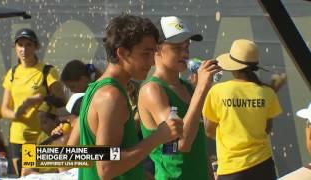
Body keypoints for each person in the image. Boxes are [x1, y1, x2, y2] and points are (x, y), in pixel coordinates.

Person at [78, 14, 183, 179]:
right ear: (122, 53)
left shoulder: (98, 89)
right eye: (146, 54)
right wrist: (158, 137)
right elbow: (107, 168)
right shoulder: (111, 96)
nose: (152, 61)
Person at [138, 16, 220, 179]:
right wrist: (202, 89)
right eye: (176, 48)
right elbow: (180, 144)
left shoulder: (188, 87)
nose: (185, 53)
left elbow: (199, 145)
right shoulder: (152, 90)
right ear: (157, 49)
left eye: (187, 46)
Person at [203, 39, 282, 180]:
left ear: (233, 66)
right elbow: (267, 129)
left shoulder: (218, 91)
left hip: (231, 169)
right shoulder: (267, 92)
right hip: (264, 166)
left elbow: (209, 131)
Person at [1, 28, 66, 176]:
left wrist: (40, 99)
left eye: (28, 45)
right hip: (18, 137)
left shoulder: (47, 71)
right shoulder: (12, 73)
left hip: (41, 137)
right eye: (20, 45)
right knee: (23, 176)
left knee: (37, 176)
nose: (24, 49)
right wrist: (16, 114)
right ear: (15, 47)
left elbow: (62, 101)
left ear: (36, 47)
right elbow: (4, 109)